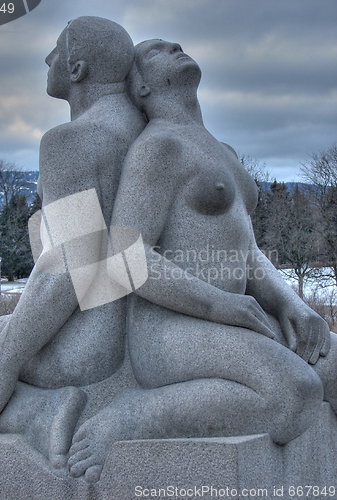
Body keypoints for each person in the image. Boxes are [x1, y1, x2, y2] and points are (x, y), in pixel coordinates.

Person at [68, 39, 337, 483]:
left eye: (173, 44)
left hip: (237, 322)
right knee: (296, 392)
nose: (174, 46)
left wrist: (293, 304)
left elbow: (247, 253)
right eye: (156, 52)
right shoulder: (159, 148)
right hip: (172, 331)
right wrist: (218, 304)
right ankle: (135, 414)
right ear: (140, 88)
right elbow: (124, 257)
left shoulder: (224, 153)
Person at [0, 17, 145, 466]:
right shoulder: (144, 129)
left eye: (57, 50)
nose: (47, 59)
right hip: (137, 331)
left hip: (84, 340)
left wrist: (4, 360)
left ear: (77, 68)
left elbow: (72, 262)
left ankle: (38, 415)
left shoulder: (73, 140)